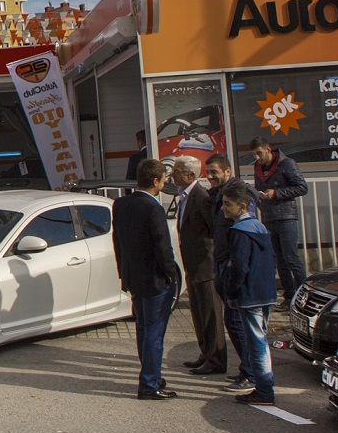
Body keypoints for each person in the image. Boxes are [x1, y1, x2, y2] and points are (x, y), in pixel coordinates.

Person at [111, 159, 182, 401]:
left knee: (143, 329)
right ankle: (150, 383)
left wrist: (124, 272)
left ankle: (151, 375)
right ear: (156, 182)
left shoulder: (120, 204)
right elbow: (163, 247)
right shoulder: (153, 209)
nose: (165, 182)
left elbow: (117, 242)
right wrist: (170, 274)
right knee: (153, 332)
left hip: (134, 277)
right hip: (155, 279)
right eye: (164, 179)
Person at [216, 186, 278, 405]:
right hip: (267, 291)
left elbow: (239, 266)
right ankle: (264, 385)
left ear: (242, 206)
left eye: (227, 204)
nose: (223, 208)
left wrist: (231, 292)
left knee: (256, 342)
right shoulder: (259, 227)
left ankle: (264, 390)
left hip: (250, 293)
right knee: (260, 339)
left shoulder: (239, 231)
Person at [205, 153, 260, 393]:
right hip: (224, 261)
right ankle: (248, 370)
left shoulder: (240, 192)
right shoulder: (219, 193)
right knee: (233, 320)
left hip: (233, 265)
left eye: (214, 172)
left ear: (228, 171)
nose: (210, 177)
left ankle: (251, 373)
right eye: (207, 172)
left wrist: (234, 264)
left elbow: (249, 230)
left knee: (237, 321)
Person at [171, 157, 227, 376]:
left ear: (190, 175)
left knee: (211, 313)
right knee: (199, 312)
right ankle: (205, 353)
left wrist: (210, 259)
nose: (173, 175)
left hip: (205, 265)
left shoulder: (201, 197)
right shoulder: (184, 196)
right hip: (192, 265)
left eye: (177, 171)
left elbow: (214, 231)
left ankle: (216, 359)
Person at [250, 137, 307, 306]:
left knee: (291, 258)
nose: (258, 158)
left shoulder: (286, 163)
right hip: (270, 216)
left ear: (268, 150)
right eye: (255, 154)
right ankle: (289, 296)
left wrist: (276, 193)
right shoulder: (258, 167)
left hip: (286, 216)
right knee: (279, 260)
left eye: (259, 153)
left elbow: (302, 187)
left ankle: (304, 295)